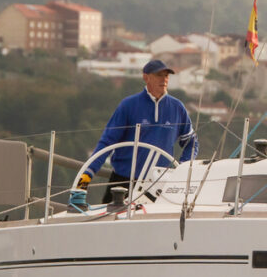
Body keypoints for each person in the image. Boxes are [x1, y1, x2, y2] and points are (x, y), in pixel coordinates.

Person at [71, 59, 197, 209]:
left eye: (166, 75)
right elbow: (107, 143)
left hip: (158, 186)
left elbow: (191, 142)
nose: (164, 79)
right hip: (122, 182)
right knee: (107, 226)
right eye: (159, 75)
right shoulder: (128, 105)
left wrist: (180, 170)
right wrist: (86, 177)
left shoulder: (177, 108)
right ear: (146, 77)